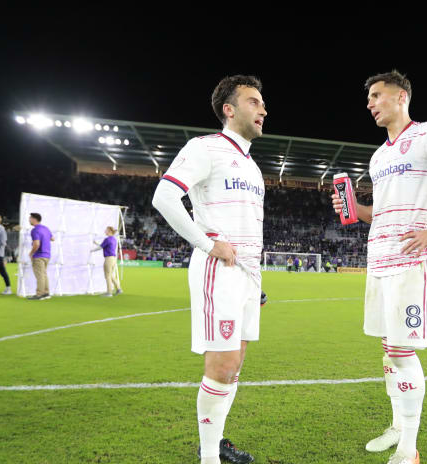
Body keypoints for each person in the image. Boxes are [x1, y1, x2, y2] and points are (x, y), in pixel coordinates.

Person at [332, 70, 427, 464]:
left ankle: (409, 450)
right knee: (388, 349)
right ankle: (398, 426)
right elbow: (380, 213)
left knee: (402, 351)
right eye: (368, 97)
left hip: (410, 260)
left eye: (376, 95)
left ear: (401, 96)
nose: (369, 103)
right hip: (378, 258)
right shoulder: (379, 155)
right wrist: (353, 210)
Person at [152, 75, 266, 464]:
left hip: (247, 274)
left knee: (234, 367)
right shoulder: (205, 148)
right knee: (221, 365)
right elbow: (164, 196)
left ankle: (214, 444)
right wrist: (206, 242)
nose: (263, 109)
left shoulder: (252, 165)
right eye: (254, 102)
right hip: (219, 271)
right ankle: (208, 457)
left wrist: (256, 281)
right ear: (229, 109)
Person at [28, 212, 53, 300]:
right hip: (47, 254)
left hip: (39, 255)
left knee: (40, 275)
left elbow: (36, 244)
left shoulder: (35, 230)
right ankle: (46, 293)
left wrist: (31, 253)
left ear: (34, 219)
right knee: (44, 274)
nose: (29, 220)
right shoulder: (45, 228)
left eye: (30, 218)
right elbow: (52, 238)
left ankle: (39, 294)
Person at [91, 226, 122, 296]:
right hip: (113, 258)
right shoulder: (113, 239)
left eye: (106, 230)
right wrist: (96, 243)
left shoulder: (107, 239)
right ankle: (118, 288)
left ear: (110, 231)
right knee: (111, 275)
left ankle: (109, 292)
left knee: (107, 275)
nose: (105, 231)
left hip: (108, 259)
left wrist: (91, 250)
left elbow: (101, 247)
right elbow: (104, 246)